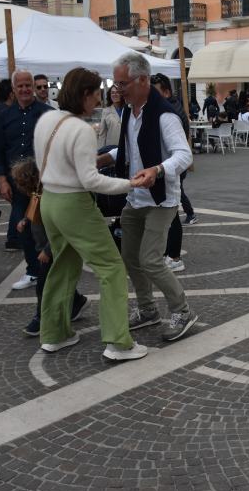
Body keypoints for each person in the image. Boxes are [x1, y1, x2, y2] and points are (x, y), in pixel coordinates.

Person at [32, 67, 147, 359]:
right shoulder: (81, 129)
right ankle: (118, 342)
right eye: (96, 92)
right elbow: (90, 180)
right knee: (112, 268)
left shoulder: (47, 119)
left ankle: (54, 334)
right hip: (74, 204)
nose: (100, 98)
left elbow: (50, 163)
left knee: (63, 265)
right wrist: (129, 184)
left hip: (49, 202)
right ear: (84, 94)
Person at [112, 53, 198, 342]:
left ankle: (183, 311)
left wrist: (158, 170)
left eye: (122, 84)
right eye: (116, 84)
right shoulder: (128, 112)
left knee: (150, 260)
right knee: (130, 258)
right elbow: (129, 150)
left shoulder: (164, 115)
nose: (117, 90)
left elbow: (184, 155)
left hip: (161, 200)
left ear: (143, 80)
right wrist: (102, 158)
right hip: (134, 197)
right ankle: (148, 309)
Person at [10, 159, 88, 337]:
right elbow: (34, 210)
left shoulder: (52, 194)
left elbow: (61, 227)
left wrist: (48, 249)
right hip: (45, 247)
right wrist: (25, 220)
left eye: (21, 183)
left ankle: (40, 318)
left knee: (43, 285)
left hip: (55, 248)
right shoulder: (37, 193)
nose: (20, 187)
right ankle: (76, 301)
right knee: (54, 279)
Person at [0, 69, 52, 289]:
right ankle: (32, 270)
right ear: (14, 89)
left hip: (44, 183)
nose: (26, 89)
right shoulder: (5, 117)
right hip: (17, 185)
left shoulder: (46, 113)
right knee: (23, 227)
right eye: (21, 86)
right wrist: (1, 179)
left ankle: (50, 267)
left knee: (46, 227)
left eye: (29, 85)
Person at [150, 72, 197, 274]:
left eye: (155, 91)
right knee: (169, 211)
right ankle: (169, 253)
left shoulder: (170, 113)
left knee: (171, 212)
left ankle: (175, 257)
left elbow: (182, 152)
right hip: (167, 167)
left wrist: (162, 168)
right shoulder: (165, 109)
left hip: (170, 167)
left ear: (166, 92)